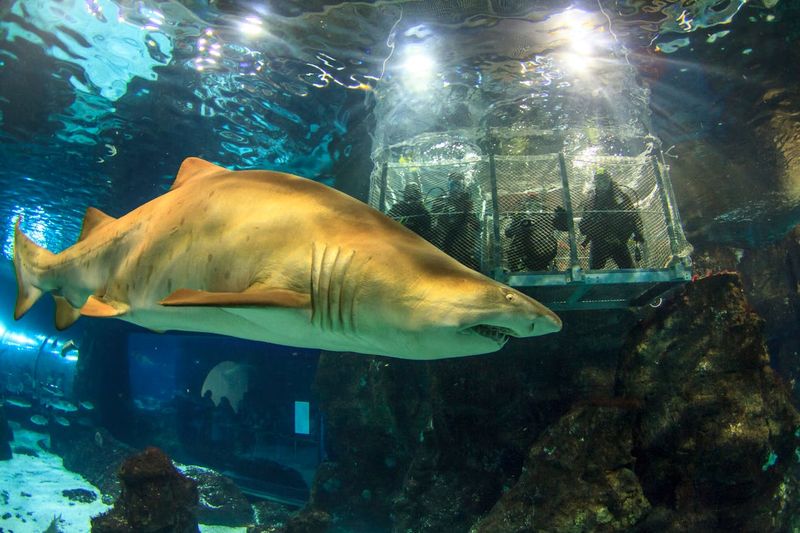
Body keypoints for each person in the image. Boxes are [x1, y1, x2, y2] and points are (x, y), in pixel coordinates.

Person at [578, 168, 644, 270]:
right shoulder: (591, 200)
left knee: (629, 271)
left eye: (604, 181)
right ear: (595, 183)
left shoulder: (620, 197)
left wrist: (638, 233)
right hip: (599, 242)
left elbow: (633, 216)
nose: (602, 185)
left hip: (618, 241)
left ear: (609, 181)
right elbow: (584, 224)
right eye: (599, 182)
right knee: (594, 272)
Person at [504, 193, 568, 272]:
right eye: (530, 204)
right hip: (527, 253)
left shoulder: (546, 217)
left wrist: (563, 219)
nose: (533, 207)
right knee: (514, 245)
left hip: (546, 253)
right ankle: (514, 268)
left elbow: (565, 228)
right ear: (525, 206)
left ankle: (550, 267)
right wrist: (521, 228)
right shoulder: (520, 217)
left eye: (536, 204)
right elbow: (508, 232)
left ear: (541, 206)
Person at [431, 172, 481, 270]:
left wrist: (467, 209)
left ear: (463, 185)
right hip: (444, 236)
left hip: (463, 238)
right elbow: (433, 217)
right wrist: (445, 206)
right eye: (453, 184)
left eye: (459, 185)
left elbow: (476, 224)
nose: (455, 188)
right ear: (448, 185)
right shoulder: (441, 198)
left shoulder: (466, 199)